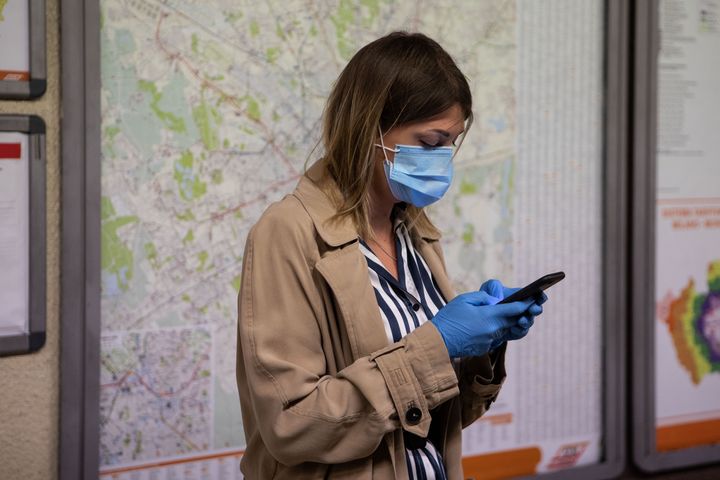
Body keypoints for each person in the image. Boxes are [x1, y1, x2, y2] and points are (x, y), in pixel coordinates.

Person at [235, 31, 545, 480]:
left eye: (450, 144)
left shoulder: (415, 231)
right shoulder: (287, 232)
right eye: (429, 142)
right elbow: (291, 425)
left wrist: (484, 344)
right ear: (369, 127)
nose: (442, 162)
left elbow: (425, 417)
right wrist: (437, 345)